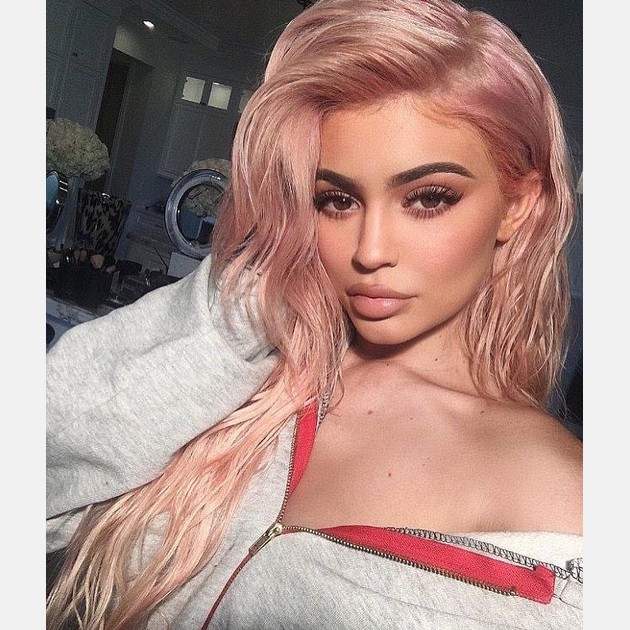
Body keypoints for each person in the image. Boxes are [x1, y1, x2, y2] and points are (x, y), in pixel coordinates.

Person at [46, 0, 583, 628]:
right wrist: (248, 296)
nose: (370, 251)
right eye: (336, 200)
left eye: (429, 198)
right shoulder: (254, 362)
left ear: (518, 206)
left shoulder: (566, 512)